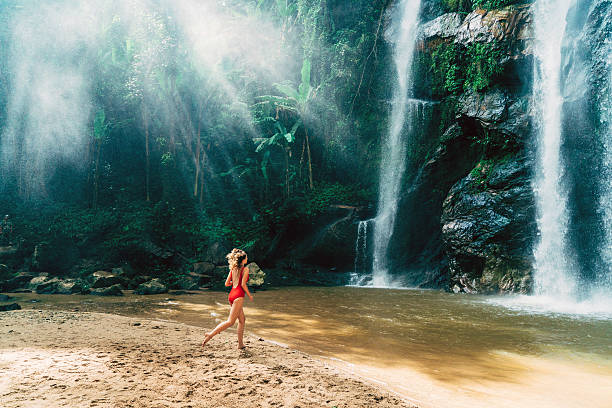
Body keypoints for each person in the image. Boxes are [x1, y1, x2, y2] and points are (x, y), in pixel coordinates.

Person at [202, 248, 253, 349]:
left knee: (242, 320)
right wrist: (249, 294)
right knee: (230, 321)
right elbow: (243, 284)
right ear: (243, 260)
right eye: (246, 257)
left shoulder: (233, 269)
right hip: (238, 296)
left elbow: (226, 284)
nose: (247, 258)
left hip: (231, 295)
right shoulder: (245, 269)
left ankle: (240, 344)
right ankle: (210, 335)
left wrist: (234, 283)